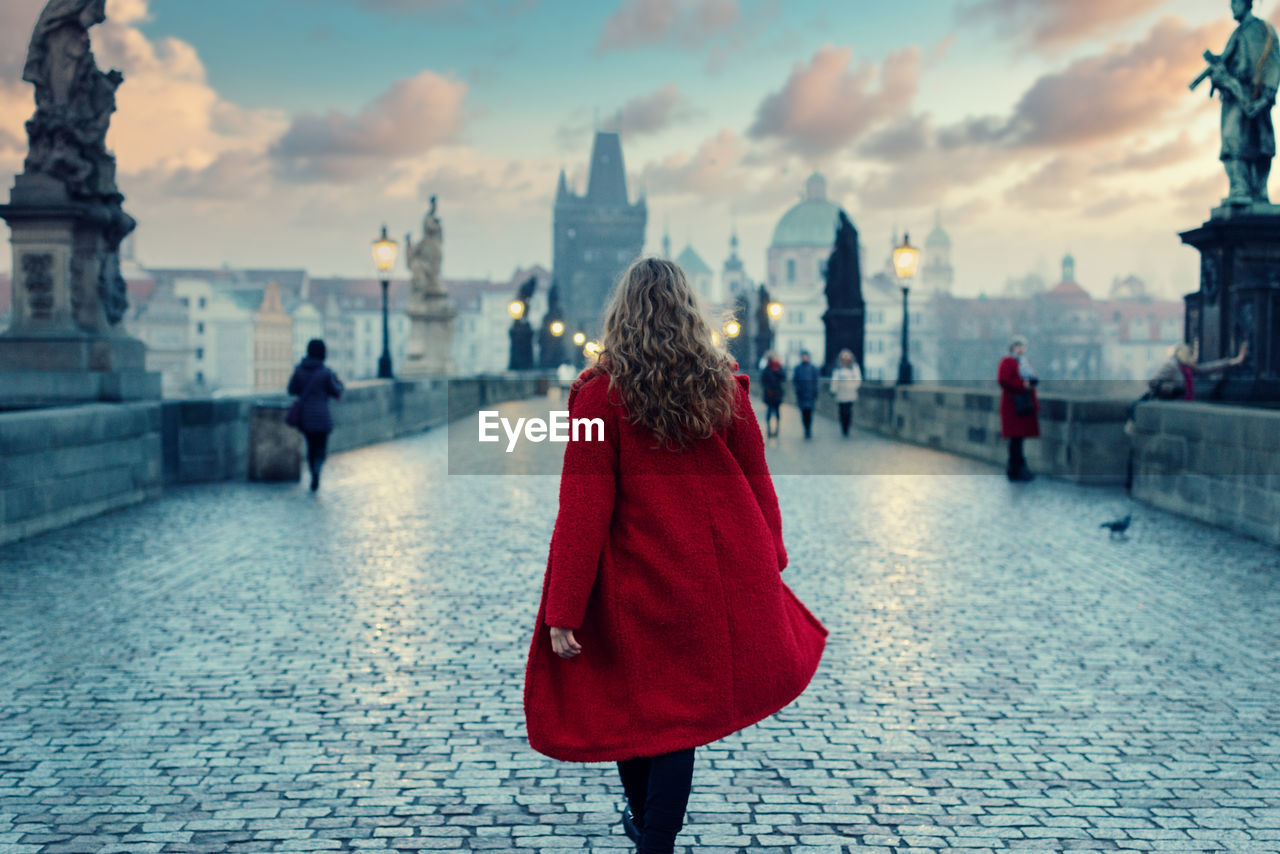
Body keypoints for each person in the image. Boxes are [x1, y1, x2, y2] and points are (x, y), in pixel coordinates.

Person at [522, 258, 828, 854]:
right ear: (689, 313)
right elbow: (758, 481)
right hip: (705, 578)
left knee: (636, 707)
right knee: (677, 717)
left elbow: (583, 508)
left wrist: (565, 606)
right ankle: (653, 835)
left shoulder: (599, 396)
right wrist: (770, 558)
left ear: (621, 316)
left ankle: (652, 833)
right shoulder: (720, 386)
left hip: (632, 580)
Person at [287, 339, 344, 492]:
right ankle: (317, 472)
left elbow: (291, 389)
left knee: (310, 446)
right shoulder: (326, 372)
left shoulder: (299, 370)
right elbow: (336, 390)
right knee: (321, 447)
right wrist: (339, 381)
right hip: (322, 416)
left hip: (305, 416)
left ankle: (313, 471)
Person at [1147, 340, 1248, 401]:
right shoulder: (1171, 365)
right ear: (1183, 353)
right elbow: (1153, 383)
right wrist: (1173, 389)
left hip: (1186, 402)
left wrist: (1233, 361)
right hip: (1173, 403)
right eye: (1189, 353)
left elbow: (1208, 367)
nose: (1191, 356)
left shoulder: (1186, 367)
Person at [997, 337, 1039, 482]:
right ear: (1012, 348)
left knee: (1019, 438)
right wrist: (1023, 384)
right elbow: (1003, 380)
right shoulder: (1008, 361)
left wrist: (1031, 381)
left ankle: (1016, 468)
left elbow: (1030, 377)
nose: (1020, 349)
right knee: (1016, 438)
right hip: (1013, 406)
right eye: (1017, 347)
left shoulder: (1024, 362)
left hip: (1023, 405)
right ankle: (1017, 468)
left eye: (1022, 346)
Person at [829, 349, 862, 437]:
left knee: (848, 411)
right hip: (841, 393)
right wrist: (833, 390)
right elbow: (834, 380)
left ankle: (847, 428)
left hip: (850, 393)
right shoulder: (838, 369)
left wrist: (852, 387)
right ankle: (843, 427)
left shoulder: (854, 367)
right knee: (842, 411)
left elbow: (858, 380)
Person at [792, 350, 820, 440]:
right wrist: (797, 390)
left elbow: (816, 381)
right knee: (804, 413)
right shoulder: (798, 368)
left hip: (810, 394)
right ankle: (806, 428)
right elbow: (795, 380)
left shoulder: (813, 368)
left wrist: (815, 391)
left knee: (809, 413)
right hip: (802, 394)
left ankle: (808, 429)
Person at [760, 352, 785, 438]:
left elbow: (783, 377)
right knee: (769, 412)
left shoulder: (779, 368)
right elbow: (763, 381)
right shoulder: (767, 368)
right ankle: (769, 430)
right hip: (769, 394)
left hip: (777, 394)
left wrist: (777, 371)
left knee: (777, 412)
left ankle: (777, 430)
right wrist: (768, 389)